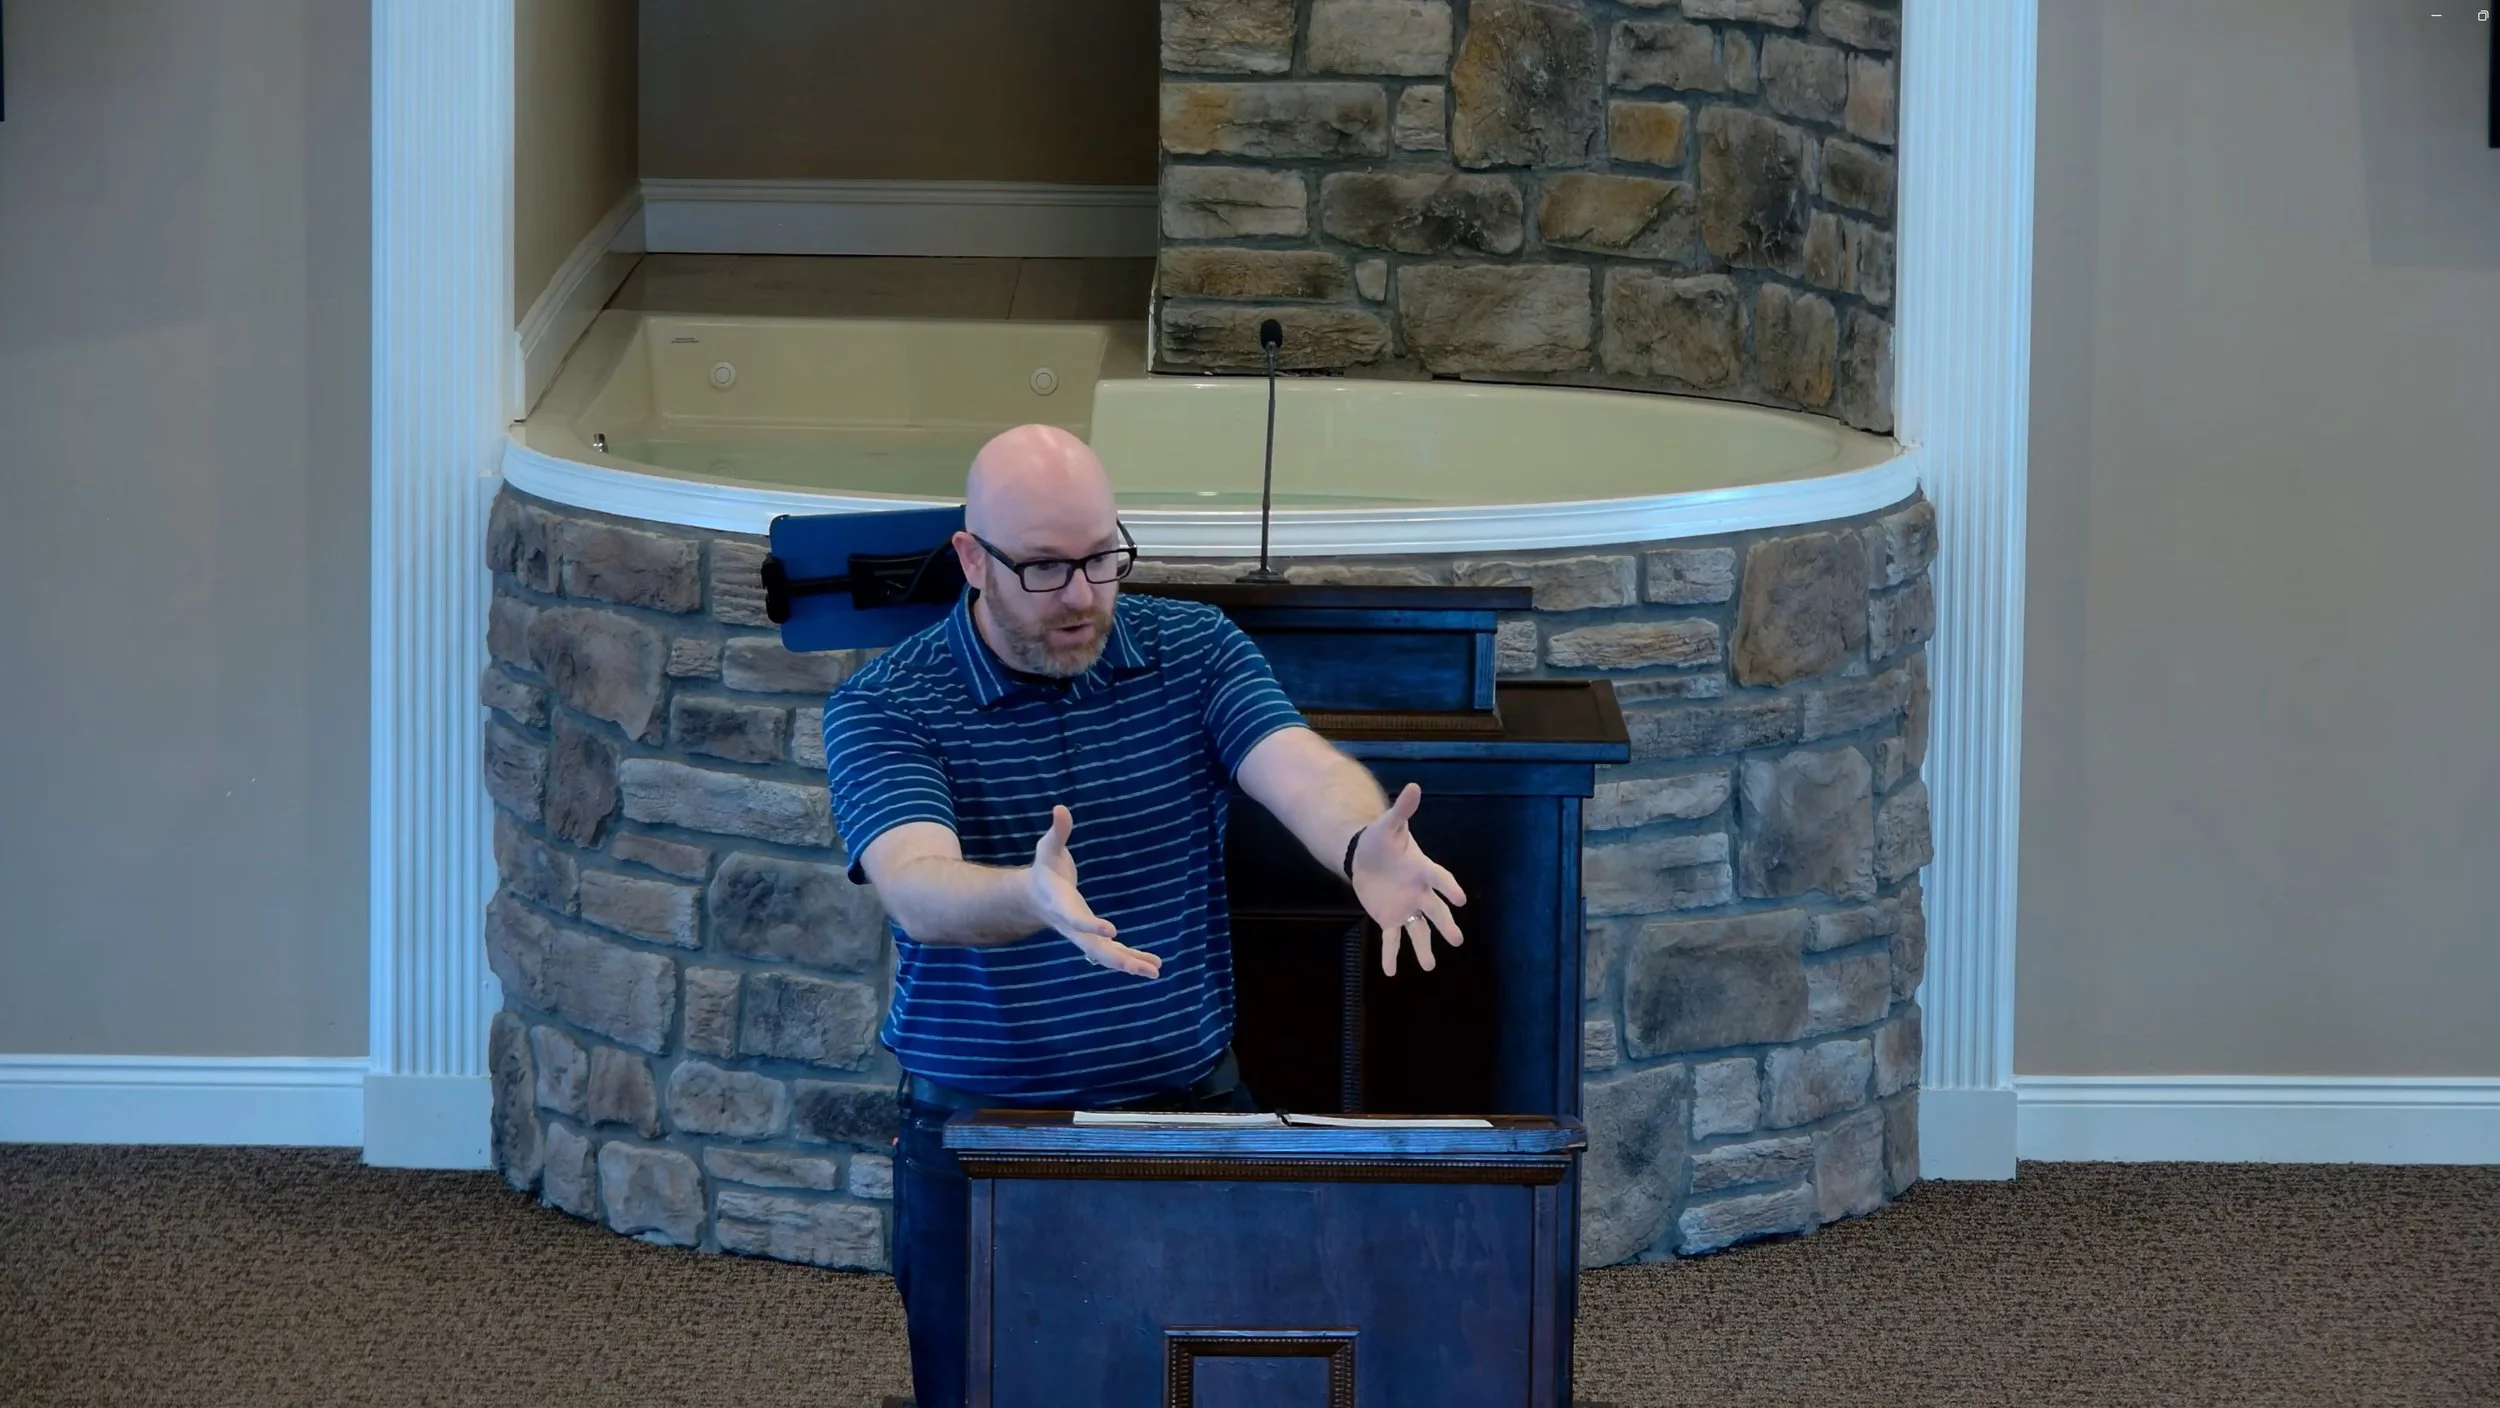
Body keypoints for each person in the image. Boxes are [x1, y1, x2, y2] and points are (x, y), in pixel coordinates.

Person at [819, 423, 1467, 1408]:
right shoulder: (888, 704)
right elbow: (916, 880)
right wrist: (1025, 895)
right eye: (1043, 568)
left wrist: (1356, 839)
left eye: (1099, 556)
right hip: (981, 1131)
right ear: (970, 559)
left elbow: (1294, 764)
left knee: (1223, 1385)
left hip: (1188, 1104)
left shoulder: (1192, 647)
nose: (1082, 594)